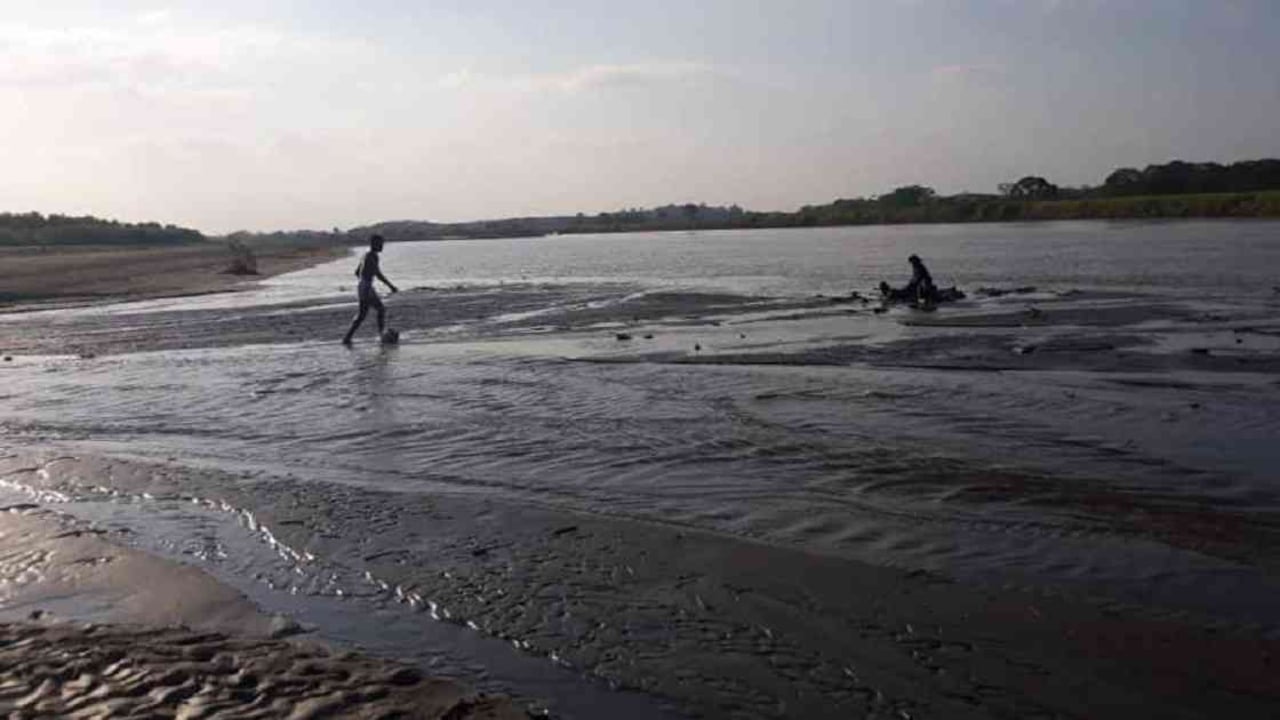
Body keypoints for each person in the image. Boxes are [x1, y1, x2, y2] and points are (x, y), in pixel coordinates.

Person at [341, 234, 399, 345]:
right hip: (366, 287)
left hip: (363, 286)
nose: (382, 246)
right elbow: (378, 274)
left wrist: (365, 282)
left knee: (363, 315)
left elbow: (357, 272)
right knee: (379, 310)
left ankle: (347, 338)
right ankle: (381, 335)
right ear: (374, 244)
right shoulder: (372, 256)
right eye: (380, 244)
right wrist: (391, 286)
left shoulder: (365, 255)